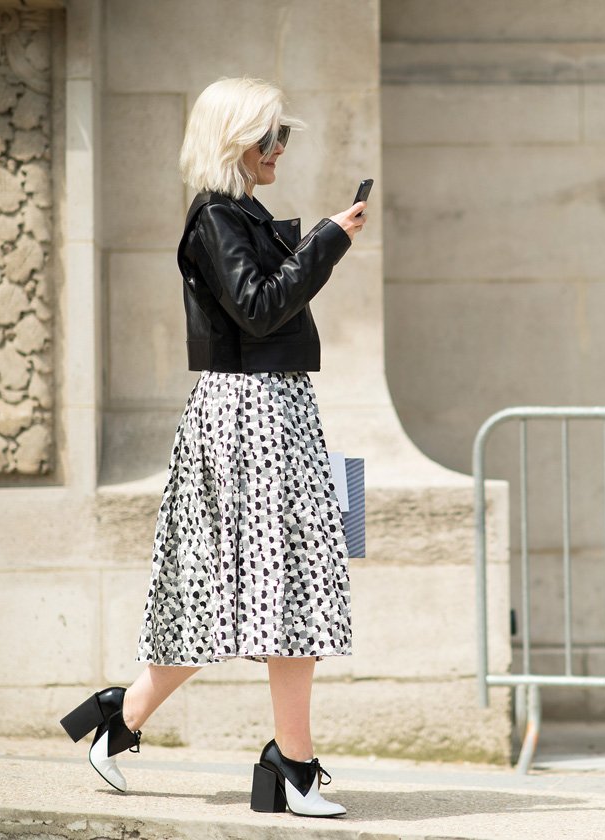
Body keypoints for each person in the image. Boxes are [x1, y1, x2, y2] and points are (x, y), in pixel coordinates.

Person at [59, 77, 367, 819]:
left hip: (277, 411)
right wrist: (328, 240)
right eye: (269, 136)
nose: (279, 148)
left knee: (288, 591)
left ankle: (248, 751)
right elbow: (259, 309)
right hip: (245, 419)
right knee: (245, 591)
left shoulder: (243, 214)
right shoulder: (215, 218)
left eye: (283, 135)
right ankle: (268, 760)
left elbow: (268, 304)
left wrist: (323, 241)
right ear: (235, 140)